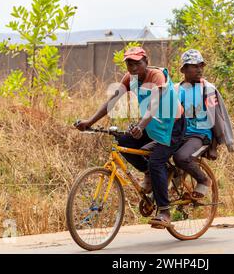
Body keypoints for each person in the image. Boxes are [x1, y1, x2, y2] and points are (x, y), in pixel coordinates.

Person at [75, 47, 184, 229]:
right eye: (129, 63)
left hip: (173, 124)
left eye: (137, 63)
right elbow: (112, 101)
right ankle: (150, 173)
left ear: (146, 62)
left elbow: (155, 104)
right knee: (124, 141)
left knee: (156, 161)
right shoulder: (129, 78)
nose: (133, 67)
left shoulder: (157, 76)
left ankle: (164, 211)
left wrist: (141, 125)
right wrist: (89, 121)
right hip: (152, 124)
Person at [173, 49, 234, 198]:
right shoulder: (176, 90)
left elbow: (216, 119)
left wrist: (214, 146)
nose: (199, 69)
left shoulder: (207, 90)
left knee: (180, 157)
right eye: (195, 66)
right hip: (181, 134)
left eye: (201, 66)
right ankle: (172, 188)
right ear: (184, 69)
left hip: (200, 135)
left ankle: (203, 181)